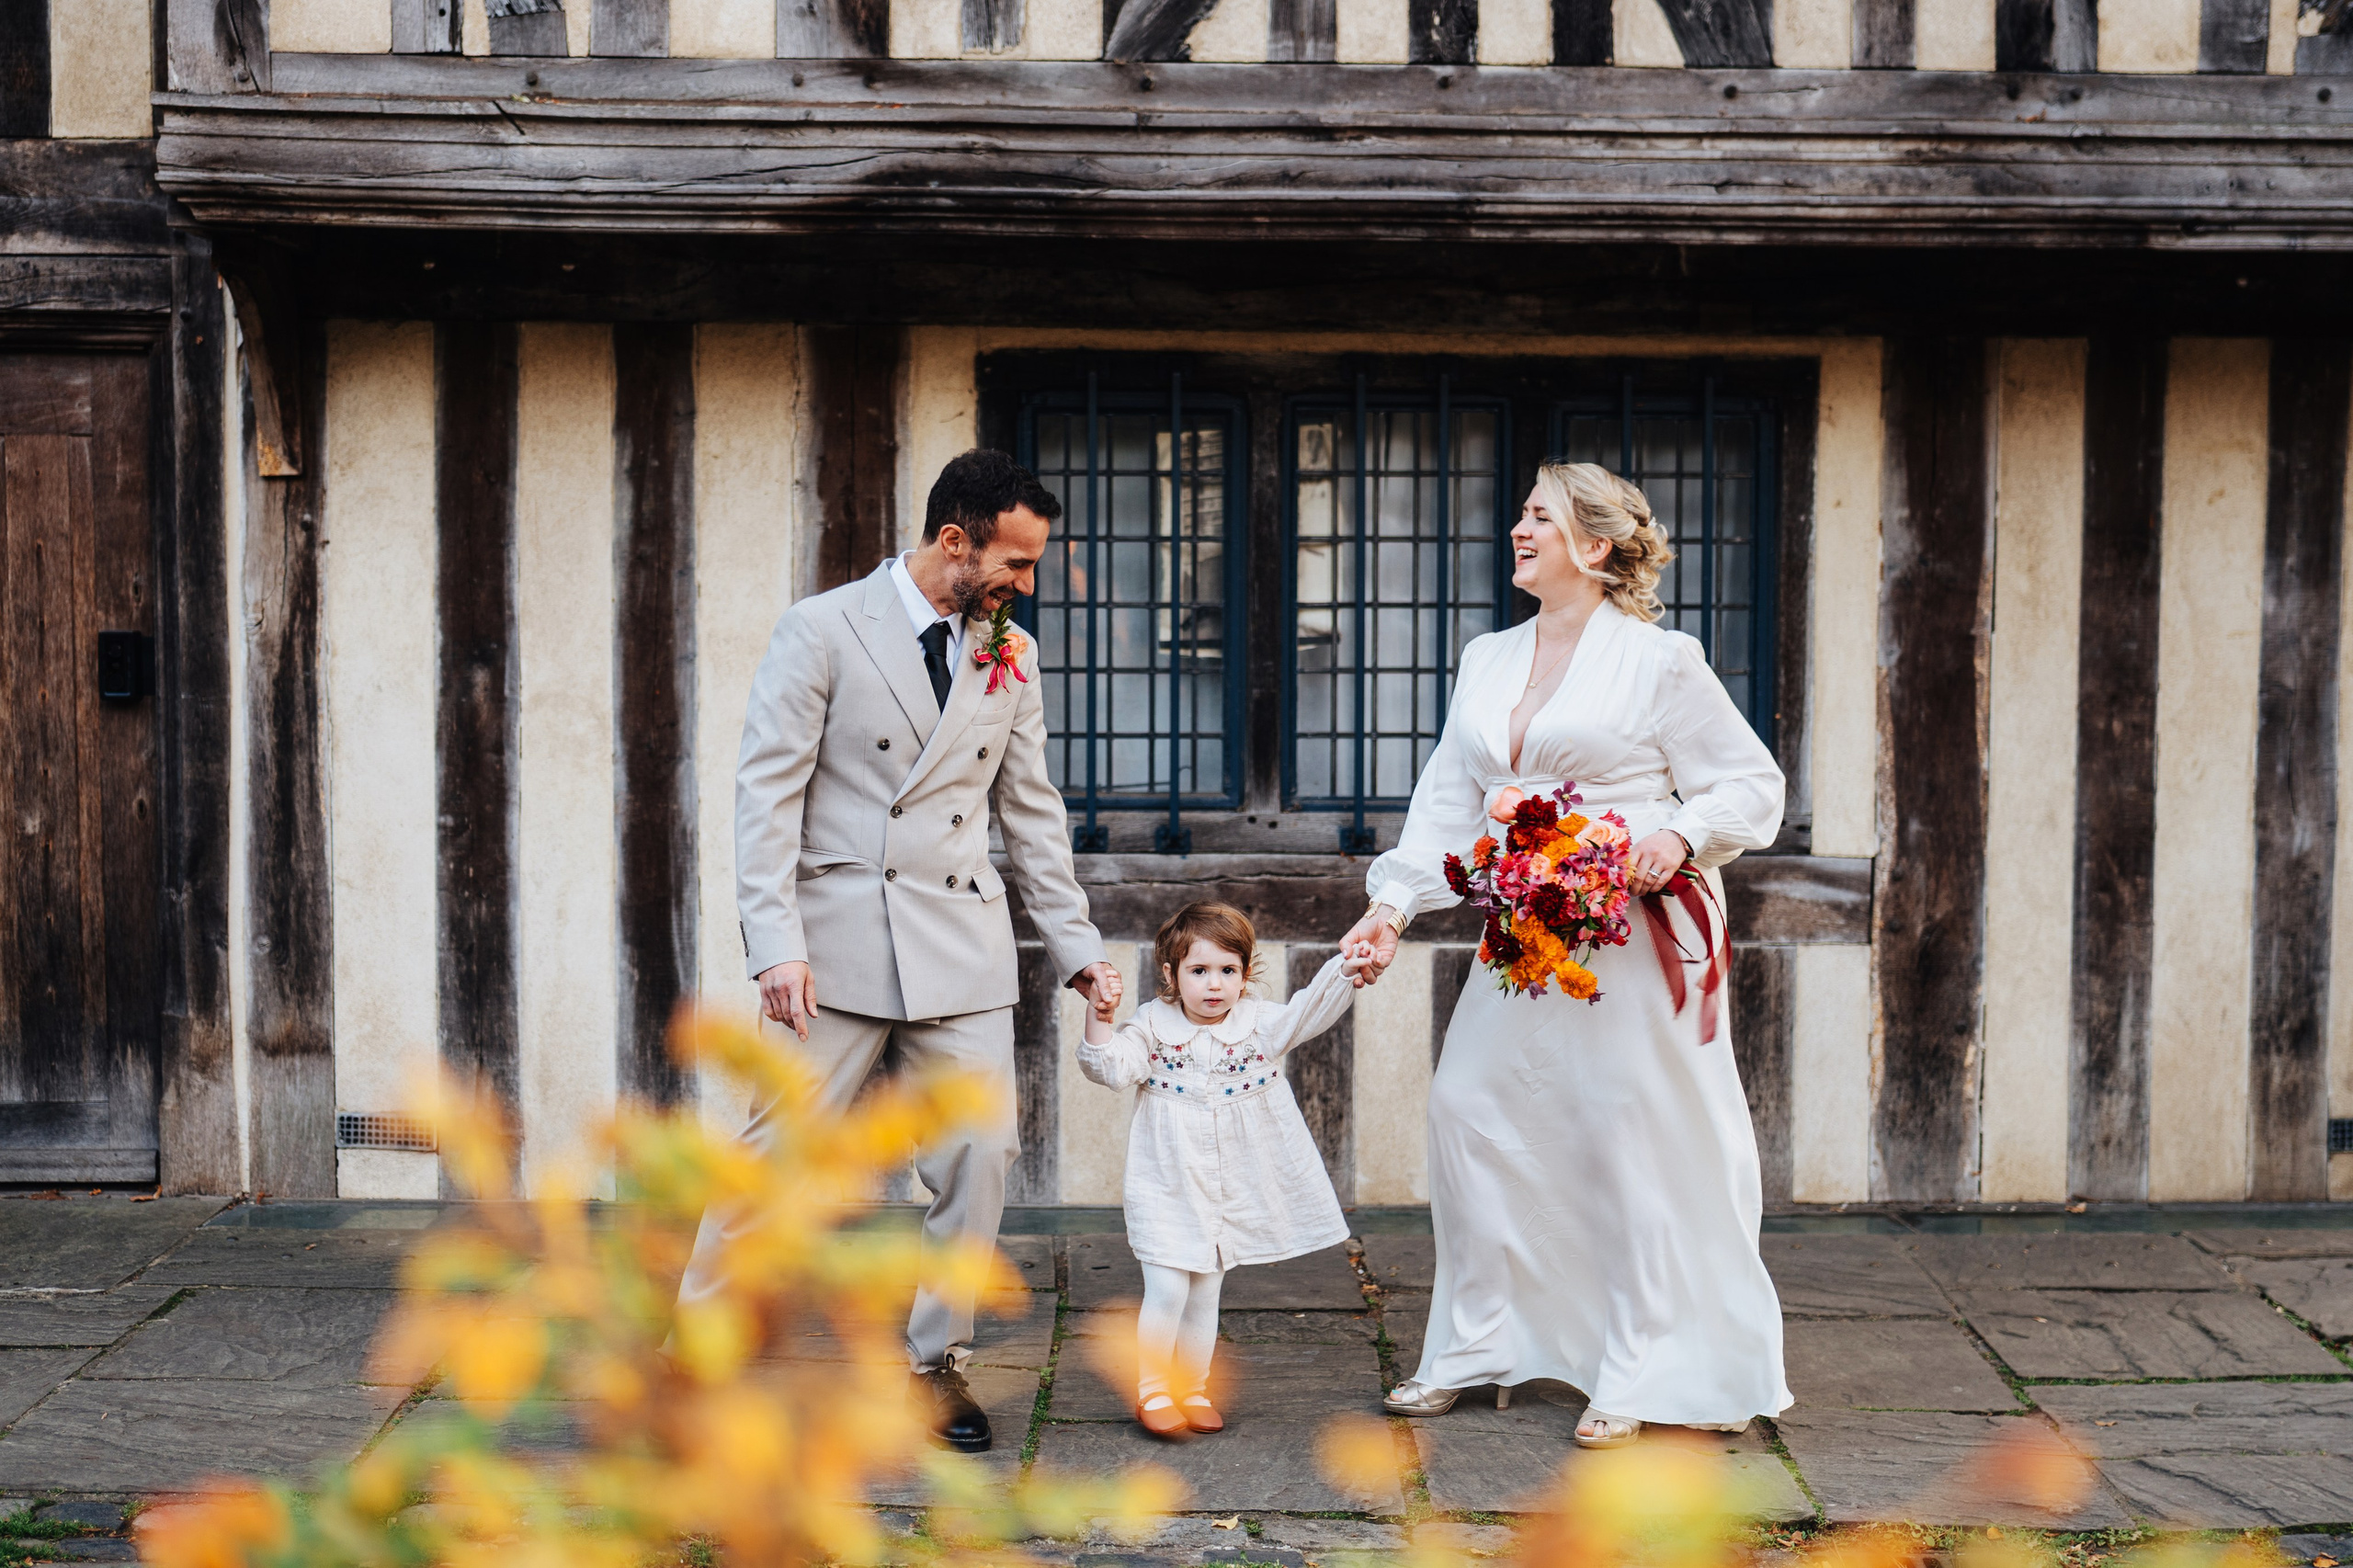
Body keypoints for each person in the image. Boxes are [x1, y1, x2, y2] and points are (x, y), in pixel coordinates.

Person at [1341, 460, 1791, 1449]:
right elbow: (1447, 803)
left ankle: (1634, 1364)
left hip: (1629, 929)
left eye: (1538, 515)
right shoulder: (1484, 657)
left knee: (1621, 1132)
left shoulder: (1661, 659)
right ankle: (1475, 1344)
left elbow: (1751, 784)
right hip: (1522, 929)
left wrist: (1677, 834)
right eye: (1520, 512)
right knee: (1470, 1107)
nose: (1517, 527)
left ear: (1594, 545)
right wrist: (1390, 905)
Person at [686, 448, 1119, 1454]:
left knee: (981, 1152)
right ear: (954, 541)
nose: (1025, 584)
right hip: (831, 939)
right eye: (1014, 563)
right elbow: (766, 797)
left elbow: (1031, 813)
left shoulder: (1010, 651)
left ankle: (933, 1362)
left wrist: (1077, 947)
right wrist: (773, 946)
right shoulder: (823, 628)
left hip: (957, 938)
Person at [1074, 902, 1370, 1438]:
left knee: (1206, 1291)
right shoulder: (1152, 1027)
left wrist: (1345, 967)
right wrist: (1100, 1017)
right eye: (1199, 970)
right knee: (1167, 1288)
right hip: (1168, 1179)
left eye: (1228, 970)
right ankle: (1152, 1391)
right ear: (1171, 974)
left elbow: (1310, 1010)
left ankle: (1192, 1387)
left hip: (1228, 1183)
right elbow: (1109, 1069)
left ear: (1246, 973)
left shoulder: (1257, 1025)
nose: (1215, 985)